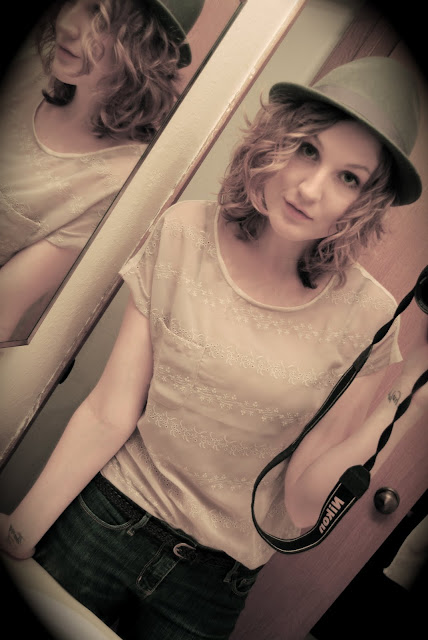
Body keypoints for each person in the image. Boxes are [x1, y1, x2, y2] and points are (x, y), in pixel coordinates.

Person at [1, 55, 427, 639]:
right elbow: (110, 409)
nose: (310, 188)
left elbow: (304, 505)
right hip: (102, 522)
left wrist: (407, 398)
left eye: (348, 178)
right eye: (308, 150)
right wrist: (21, 532)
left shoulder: (370, 317)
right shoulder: (184, 232)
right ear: (277, 140)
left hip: (213, 585)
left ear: (366, 202)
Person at [0, 0, 204, 342]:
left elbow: (4, 306)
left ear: (142, 46)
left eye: (99, 14)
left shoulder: (118, 182)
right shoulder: (31, 68)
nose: (67, 24)